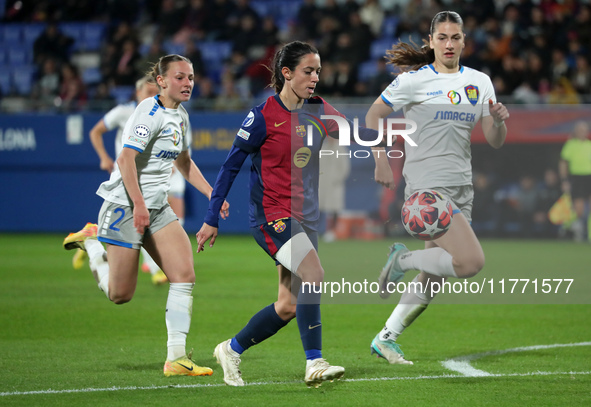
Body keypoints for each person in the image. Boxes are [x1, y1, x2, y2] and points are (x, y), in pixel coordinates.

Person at [195, 41, 382, 387]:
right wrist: (211, 217)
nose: (315, 78)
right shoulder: (262, 116)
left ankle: (231, 349)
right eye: (308, 71)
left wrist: (389, 140)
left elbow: (355, 135)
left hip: (305, 218)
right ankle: (314, 362)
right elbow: (229, 168)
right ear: (286, 73)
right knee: (314, 274)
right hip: (272, 216)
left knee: (288, 305)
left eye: (318, 72)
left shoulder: (319, 109)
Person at [63, 54, 229, 377]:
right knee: (120, 294)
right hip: (126, 204)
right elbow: (125, 160)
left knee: (183, 274)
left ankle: (176, 359)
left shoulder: (181, 117)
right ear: (162, 81)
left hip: (156, 206)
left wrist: (213, 193)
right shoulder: (147, 111)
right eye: (180, 77)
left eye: (191, 78)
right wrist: (138, 204)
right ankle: (93, 244)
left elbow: (183, 163)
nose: (188, 83)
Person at [366, 11, 509, 365]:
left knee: (435, 276)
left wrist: (500, 122)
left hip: (462, 186)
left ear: (464, 41)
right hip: (426, 189)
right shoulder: (415, 81)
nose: (449, 43)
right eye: (442, 37)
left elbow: (494, 140)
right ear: (431, 42)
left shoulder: (480, 82)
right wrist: (380, 158)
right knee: (471, 262)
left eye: (455, 37)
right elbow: (372, 117)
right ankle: (402, 259)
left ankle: (386, 338)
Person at [76, 76, 168, 285]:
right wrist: (103, 157)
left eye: (157, 93)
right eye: (148, 92)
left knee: (138, 223)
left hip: (147, 177)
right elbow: (96, 131)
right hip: (125, 176)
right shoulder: (124, 112)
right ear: (137, 93)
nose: (153, 96)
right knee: (141, 222)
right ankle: (155, 270)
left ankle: (92, 237)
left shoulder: (160, 114)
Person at [559, 121, 591, 242]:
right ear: (576, 132)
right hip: (577, 178)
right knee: (579, 210)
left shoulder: (589, 145)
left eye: (584, 130)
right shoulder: (570, 145)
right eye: (580, 130)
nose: (582, 132)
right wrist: (564, 180)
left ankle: (589, 236)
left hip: (589, 177)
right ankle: (566, 227)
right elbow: (563, 163)